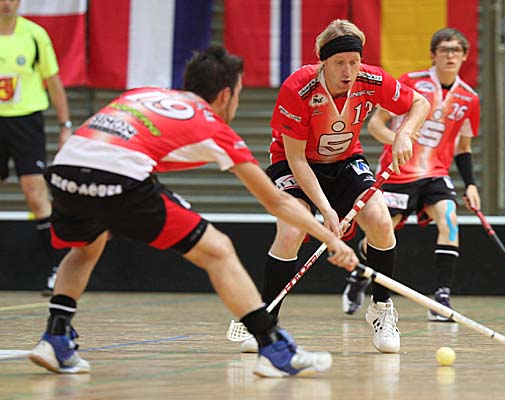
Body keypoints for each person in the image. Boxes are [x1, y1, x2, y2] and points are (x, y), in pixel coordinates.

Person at [28, 45, 359, 378]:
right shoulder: (212, 126)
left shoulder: (144, 94)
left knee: (85, 247)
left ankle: (56, 336)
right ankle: (274, 348)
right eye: (239, 94)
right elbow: (278, 202)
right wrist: (331, 239)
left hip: (64, 170)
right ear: (226, 95)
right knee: (219, 251)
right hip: (118, 176)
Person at [240, 19, 430, 354]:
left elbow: (420, 104)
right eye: (339, 62)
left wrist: (404, 133)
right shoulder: (298, 88)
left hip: (345, 161)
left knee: (381, 220)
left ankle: (381, 308)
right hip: (295, 161)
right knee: (291, 230)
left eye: (354, 62)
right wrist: (326, 211)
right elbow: (297, 159)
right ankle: (265, 322)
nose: (348, 71)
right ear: (323, 62)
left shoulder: (371, 79)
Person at [342, 28, 481, 322]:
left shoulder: (469, 98)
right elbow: (375, 125)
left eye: (456, 50)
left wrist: (470, 184)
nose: (450, 55)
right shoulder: (411, 83)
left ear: (464, 56)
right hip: (398, 172)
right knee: (380, 234)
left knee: (450, 221)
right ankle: (359, 274)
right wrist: (397, 141)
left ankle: (441, 298)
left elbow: (463, 147)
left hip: (435, 174)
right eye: (444, 50)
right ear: (433, 54)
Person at [0, 0, 71, 295]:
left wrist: (65, 125)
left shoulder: (35, 35)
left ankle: (58, 269)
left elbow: (53, 82)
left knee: (34, 193)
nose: (6, 4)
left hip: (26, 122)